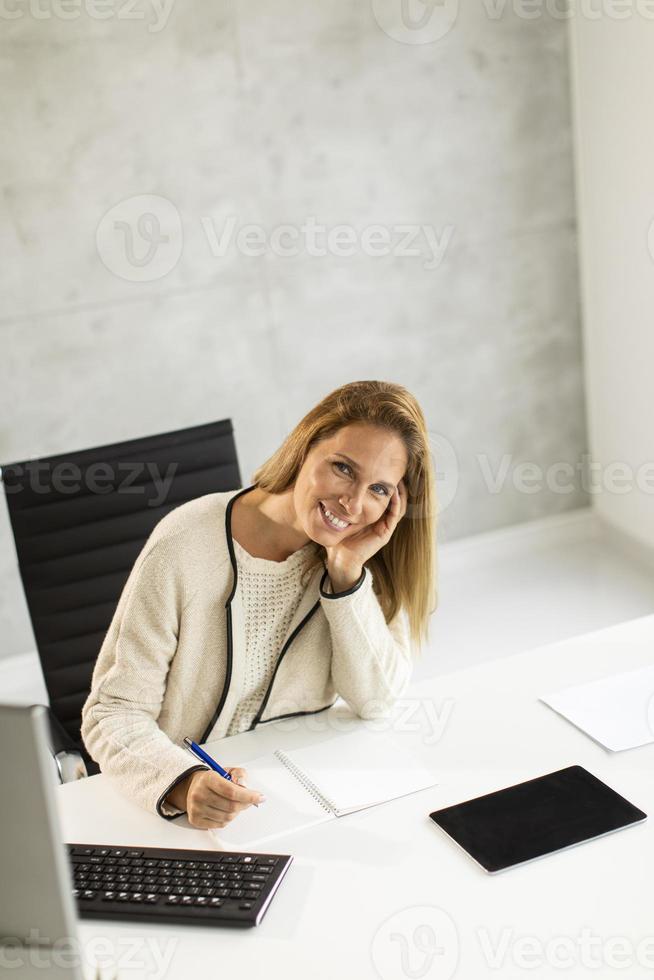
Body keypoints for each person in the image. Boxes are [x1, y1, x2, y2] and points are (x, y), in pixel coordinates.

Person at [81, 380, 438, 831]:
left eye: (380, 490)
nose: (353, 503)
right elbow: (112, 713)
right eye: (343, 468)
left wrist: (346, 576)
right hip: (180, 813)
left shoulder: (365, 557)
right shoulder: (185, 543)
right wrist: (182, 782)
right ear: (304, 446)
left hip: (294, 804)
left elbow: (377, 701)